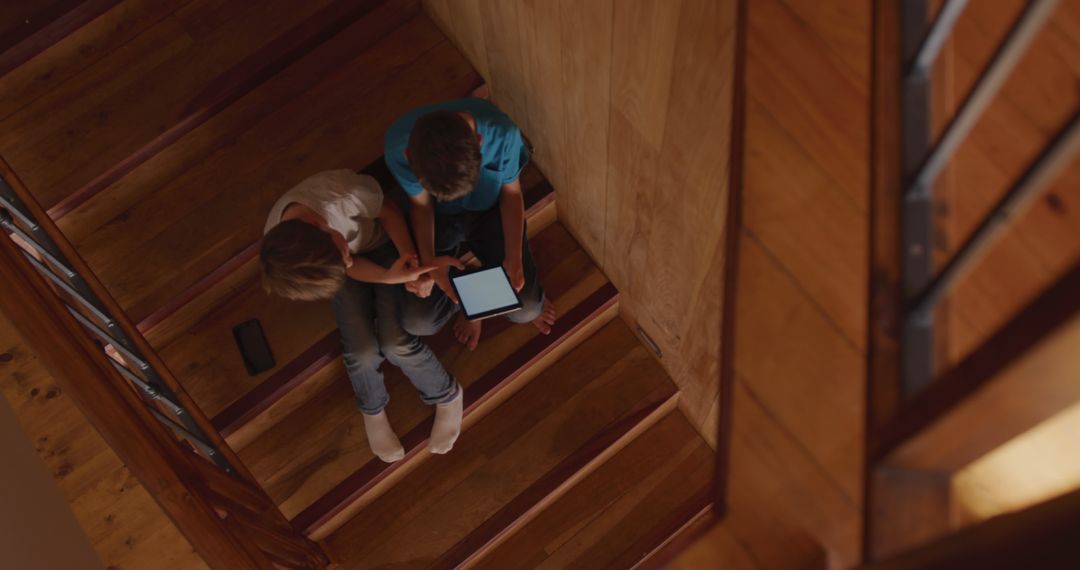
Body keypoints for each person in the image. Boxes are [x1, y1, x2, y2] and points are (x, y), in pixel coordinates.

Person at [260, 169, 466, 462]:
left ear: (321, 226)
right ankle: (372, 409)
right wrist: (383, 279)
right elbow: (347, 264)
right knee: (361, 350)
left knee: (396, 342)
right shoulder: (291, 251)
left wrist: (407, 263)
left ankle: (446, 395)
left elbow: (390, 212)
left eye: (341, 250)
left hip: (384, 246)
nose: (345, 255)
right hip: (341, 272)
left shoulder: (343, 196)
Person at [383, 99, 557, 350]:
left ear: (480, 142)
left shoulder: (503, 133)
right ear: (409, 156)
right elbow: (422, 206)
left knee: (527, 309)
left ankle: (473, 307)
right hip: (438, 219)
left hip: (490, 211)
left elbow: (511, 194)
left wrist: (514, 255)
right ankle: (472, 305)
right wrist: (429, 263)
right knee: (418, 322)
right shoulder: (398, 146)